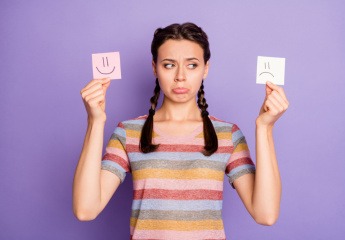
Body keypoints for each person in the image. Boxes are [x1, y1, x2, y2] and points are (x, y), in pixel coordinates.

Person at [73, 22, 289, 239]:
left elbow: (266, 214)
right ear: (154, 68)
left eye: (192, 65)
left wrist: (265, 128)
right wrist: (95, 121)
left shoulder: (227, 134)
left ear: (206, 68)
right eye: (168, 65)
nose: (180, 76)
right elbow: (86, 209)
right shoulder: (129, 133)